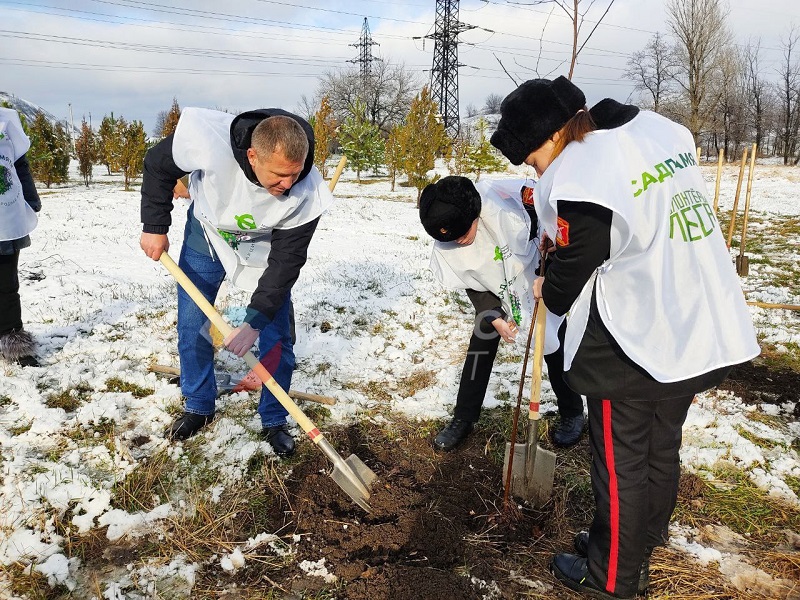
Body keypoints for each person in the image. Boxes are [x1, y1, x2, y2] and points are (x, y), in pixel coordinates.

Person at [491, 77, 759, 599]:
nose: (534, 170)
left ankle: (611, 578)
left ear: (550, 139)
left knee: (620, 467)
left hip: (636, 341)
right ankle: (643, 538)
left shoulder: (587, 175)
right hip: (695, 322)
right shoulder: (648, 136)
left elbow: (572, 269)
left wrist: (548, 284)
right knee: (662, 445)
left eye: (530, 159)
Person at [140, 107, 333, 457]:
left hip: (266, 244)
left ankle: (275, 417)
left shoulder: (308, 191)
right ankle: (199, 404)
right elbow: (157, 164)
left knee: (276, 334)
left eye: (295, 173)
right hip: (209, 233)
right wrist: (154, 226)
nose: (289, 184)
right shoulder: (206, 138)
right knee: (192, 322)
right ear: (252, 155)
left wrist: (255, 320)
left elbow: (286, 264)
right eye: (279, 175)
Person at [419, 175, 584, 452]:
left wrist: (551, 253)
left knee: (553, 340)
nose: (458, 242)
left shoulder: (507, 202)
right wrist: (493, 315)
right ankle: (463, 417)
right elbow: (469, 279)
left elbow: (552, 217)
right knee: (482, 336)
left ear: (475, 214)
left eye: (463, 234)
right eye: (454, 238)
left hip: (535, 270)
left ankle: (572, 411)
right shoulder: (447, 235)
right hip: (494, 286)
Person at [0, 107, 42, 367]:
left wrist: (31, 198)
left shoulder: (6, 123)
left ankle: (11, 338)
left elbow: (19, 164)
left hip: (6, 219)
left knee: (6, 284)